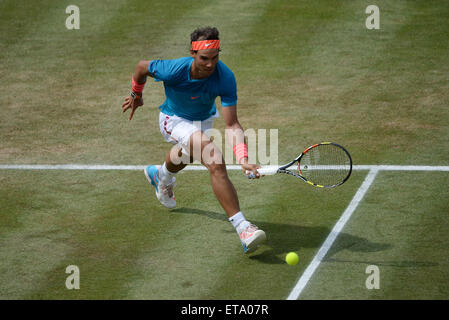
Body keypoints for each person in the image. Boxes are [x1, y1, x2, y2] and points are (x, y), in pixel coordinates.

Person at [121, 26, 266, 254]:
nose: (210, 64)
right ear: (192, 53)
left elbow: (232, 124)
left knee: (186, 154)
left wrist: (243, 157)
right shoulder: (173, 70)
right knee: (215, 160)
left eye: (215, 58)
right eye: (204, 59)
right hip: (173, 119)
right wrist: (136, 95)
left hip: (204, 120)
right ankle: (243, 227)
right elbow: (141, 67)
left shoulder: (225, 77)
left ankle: (161, 175)